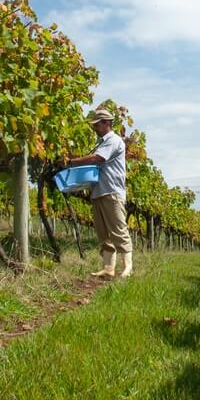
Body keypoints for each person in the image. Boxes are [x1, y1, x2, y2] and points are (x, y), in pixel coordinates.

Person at [67, 109, 133, 278]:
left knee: (118, 229)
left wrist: (70, 162)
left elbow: (98, 159)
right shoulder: (101, 142)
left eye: (97, 125)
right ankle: (108, 268)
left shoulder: (113, 141)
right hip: (98, 191)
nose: (94, 128)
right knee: (103, 232)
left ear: (106, 123)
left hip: (112, 191)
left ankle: (128, 267)